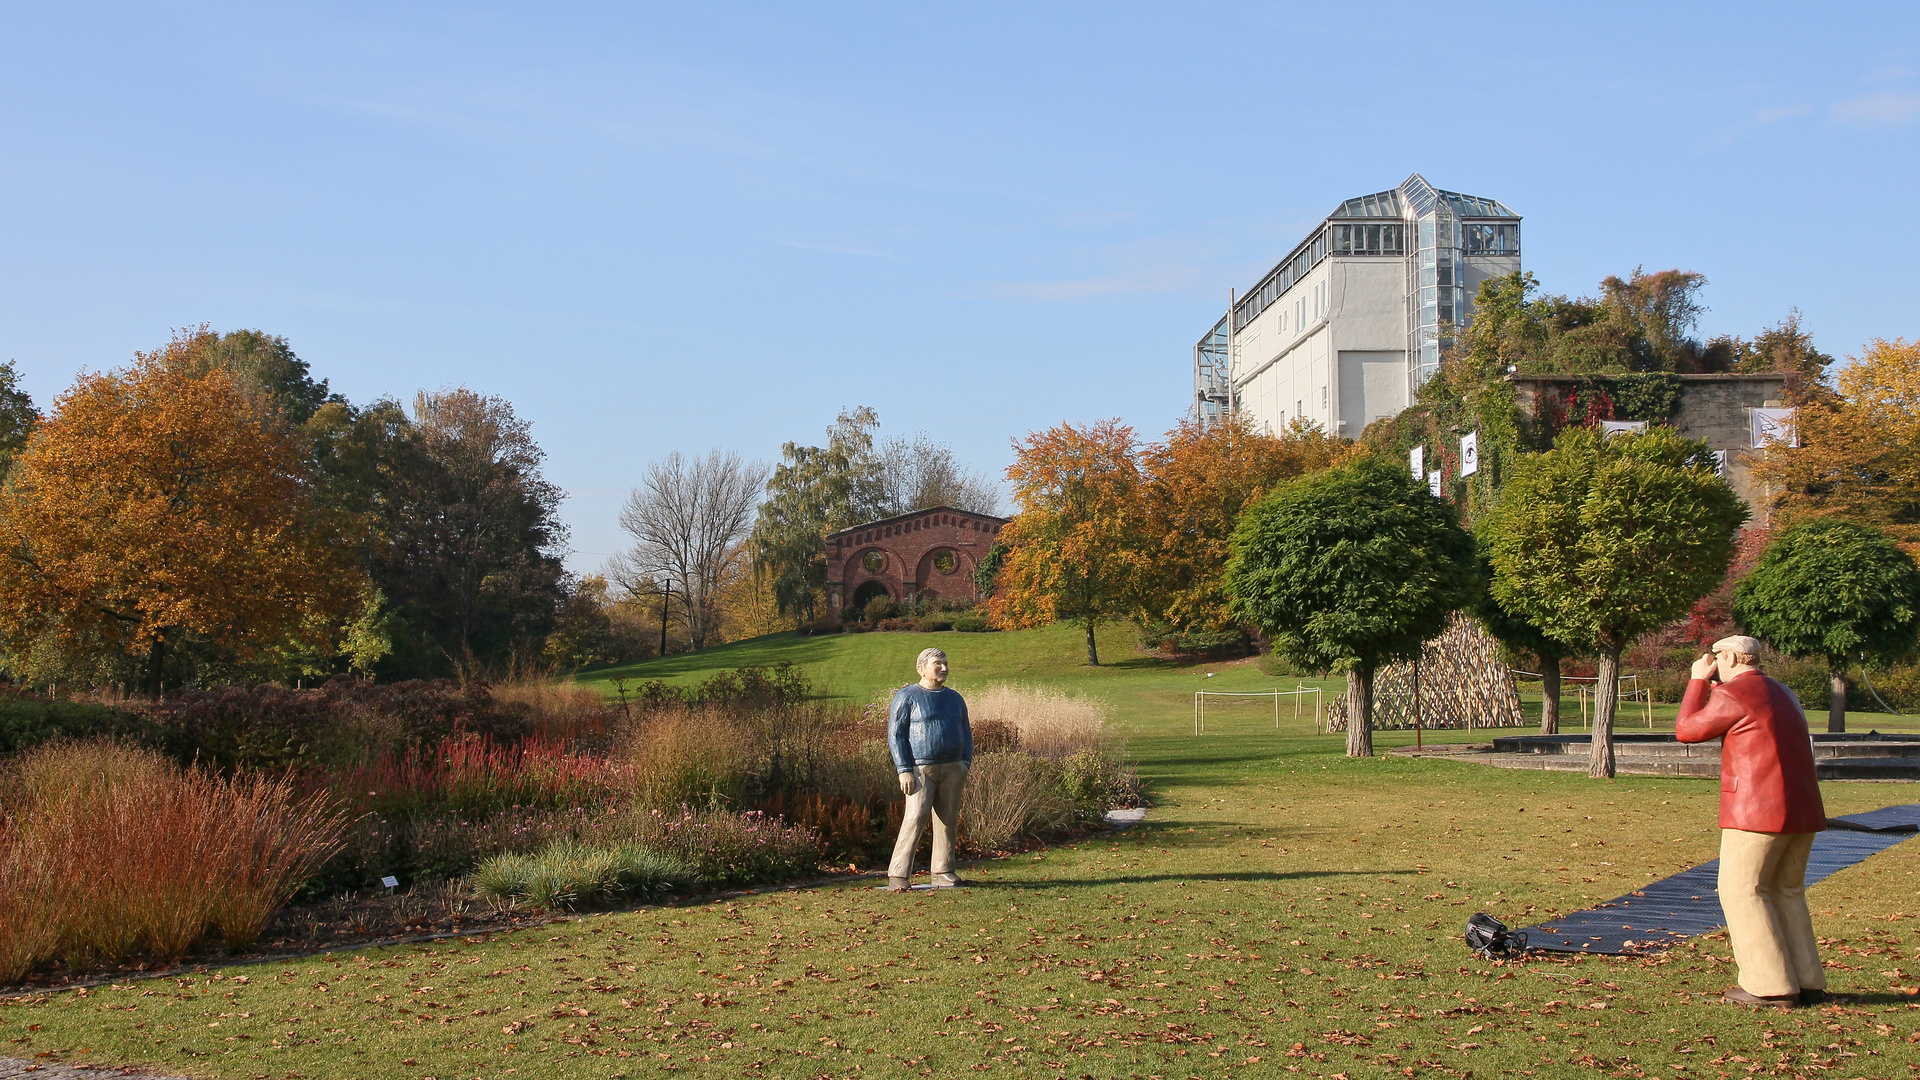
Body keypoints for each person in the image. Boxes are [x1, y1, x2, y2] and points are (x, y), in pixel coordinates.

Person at [1675, 634, 1828, 1008]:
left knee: (1743, 891)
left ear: (1728, 657)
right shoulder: (1784, 692)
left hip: (1756, 810)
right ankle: (1807, 978)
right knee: (1786, 891)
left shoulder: (1733, 694)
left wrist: (1697, 682)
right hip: (1802, 807)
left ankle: (1769, 984)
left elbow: (1687, 731)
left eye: (1716, 658)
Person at [886, 647, 973, 891]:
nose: (944, 668)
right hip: (920, 769)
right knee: (915, 817)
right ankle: (899, 874)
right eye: (938, 663)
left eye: (945, 663)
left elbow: (966, 730)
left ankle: (943, 870)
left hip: (953, 767)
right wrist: (904, 768)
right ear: (921, 668)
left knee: (948, 819)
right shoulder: (907, 696)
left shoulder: (955, 698)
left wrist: (965, 762)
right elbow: (896, 734)